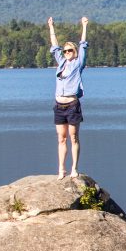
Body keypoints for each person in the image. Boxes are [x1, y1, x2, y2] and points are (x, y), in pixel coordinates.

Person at [48, 16, 89, 179]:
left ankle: (74, 168)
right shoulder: (61, 62)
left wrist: (84, 26)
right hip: (59, 105)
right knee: (61, 138)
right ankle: (61, 170)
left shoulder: (78, 63)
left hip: (72, 105)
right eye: (65, 51)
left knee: (73, 137)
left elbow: (83, 44)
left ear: (75, 52)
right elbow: (54, 45)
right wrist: (51, 26)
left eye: (69, 50)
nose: (66, 53)